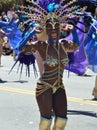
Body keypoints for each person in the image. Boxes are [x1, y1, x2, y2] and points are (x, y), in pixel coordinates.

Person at [15, 1, 79, 129]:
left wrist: (74, 31)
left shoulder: (64, 44)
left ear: (60, 28)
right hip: (44, 86)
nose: (53, 29)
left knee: (62, 120)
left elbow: (76, 45)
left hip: (59, 85)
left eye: (56, 27)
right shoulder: (42, 46)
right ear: (46, 28)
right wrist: (32, 33)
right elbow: (19, 48)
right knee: (46, 121)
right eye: (50, 26)